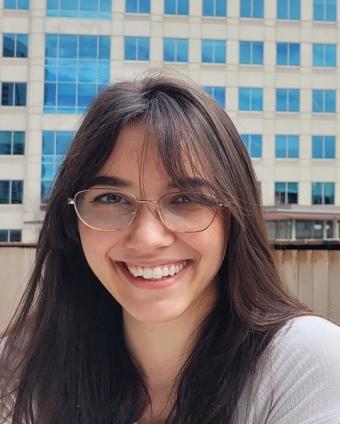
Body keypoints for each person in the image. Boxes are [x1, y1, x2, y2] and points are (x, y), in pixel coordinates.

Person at [1, 73, 340, 424]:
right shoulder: (20, 369)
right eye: (111, 198)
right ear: (71, 219)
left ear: (234, 217)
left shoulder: (310, 367)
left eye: (186, 198)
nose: (147, 238)